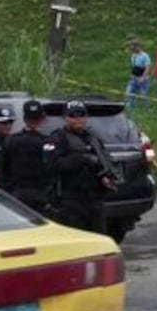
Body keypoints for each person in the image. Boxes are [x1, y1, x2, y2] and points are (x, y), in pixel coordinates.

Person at [44, 100, 118, 234]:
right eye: (72, 115)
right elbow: (50, 165)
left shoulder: (93, 138)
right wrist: (80, 159)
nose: (78, 119)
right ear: (65, 118)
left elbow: (104, 162)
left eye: (81, 115)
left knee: (99, 240)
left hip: (94, 200)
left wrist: (105, 176)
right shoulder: (57, 138)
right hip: (70, 201)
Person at [2, 100, 52, 215]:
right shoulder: (47, 141)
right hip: (42, 193)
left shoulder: (11, 140)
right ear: (42, 119)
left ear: (24, 119)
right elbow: (52, 168)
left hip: (18, 193)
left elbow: (4, 170)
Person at [126, 40, 151, 109]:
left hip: (143, 79)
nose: (133, 49)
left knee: (143, 95)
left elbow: (147, 67)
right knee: (129, 92)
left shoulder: (145, 56)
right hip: (134, 78)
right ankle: (132, 107)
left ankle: (147, 108)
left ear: (138, 46)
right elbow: (134, 66)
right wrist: (132, 74)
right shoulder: (133, 55)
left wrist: (143, 77)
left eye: (134, 47)